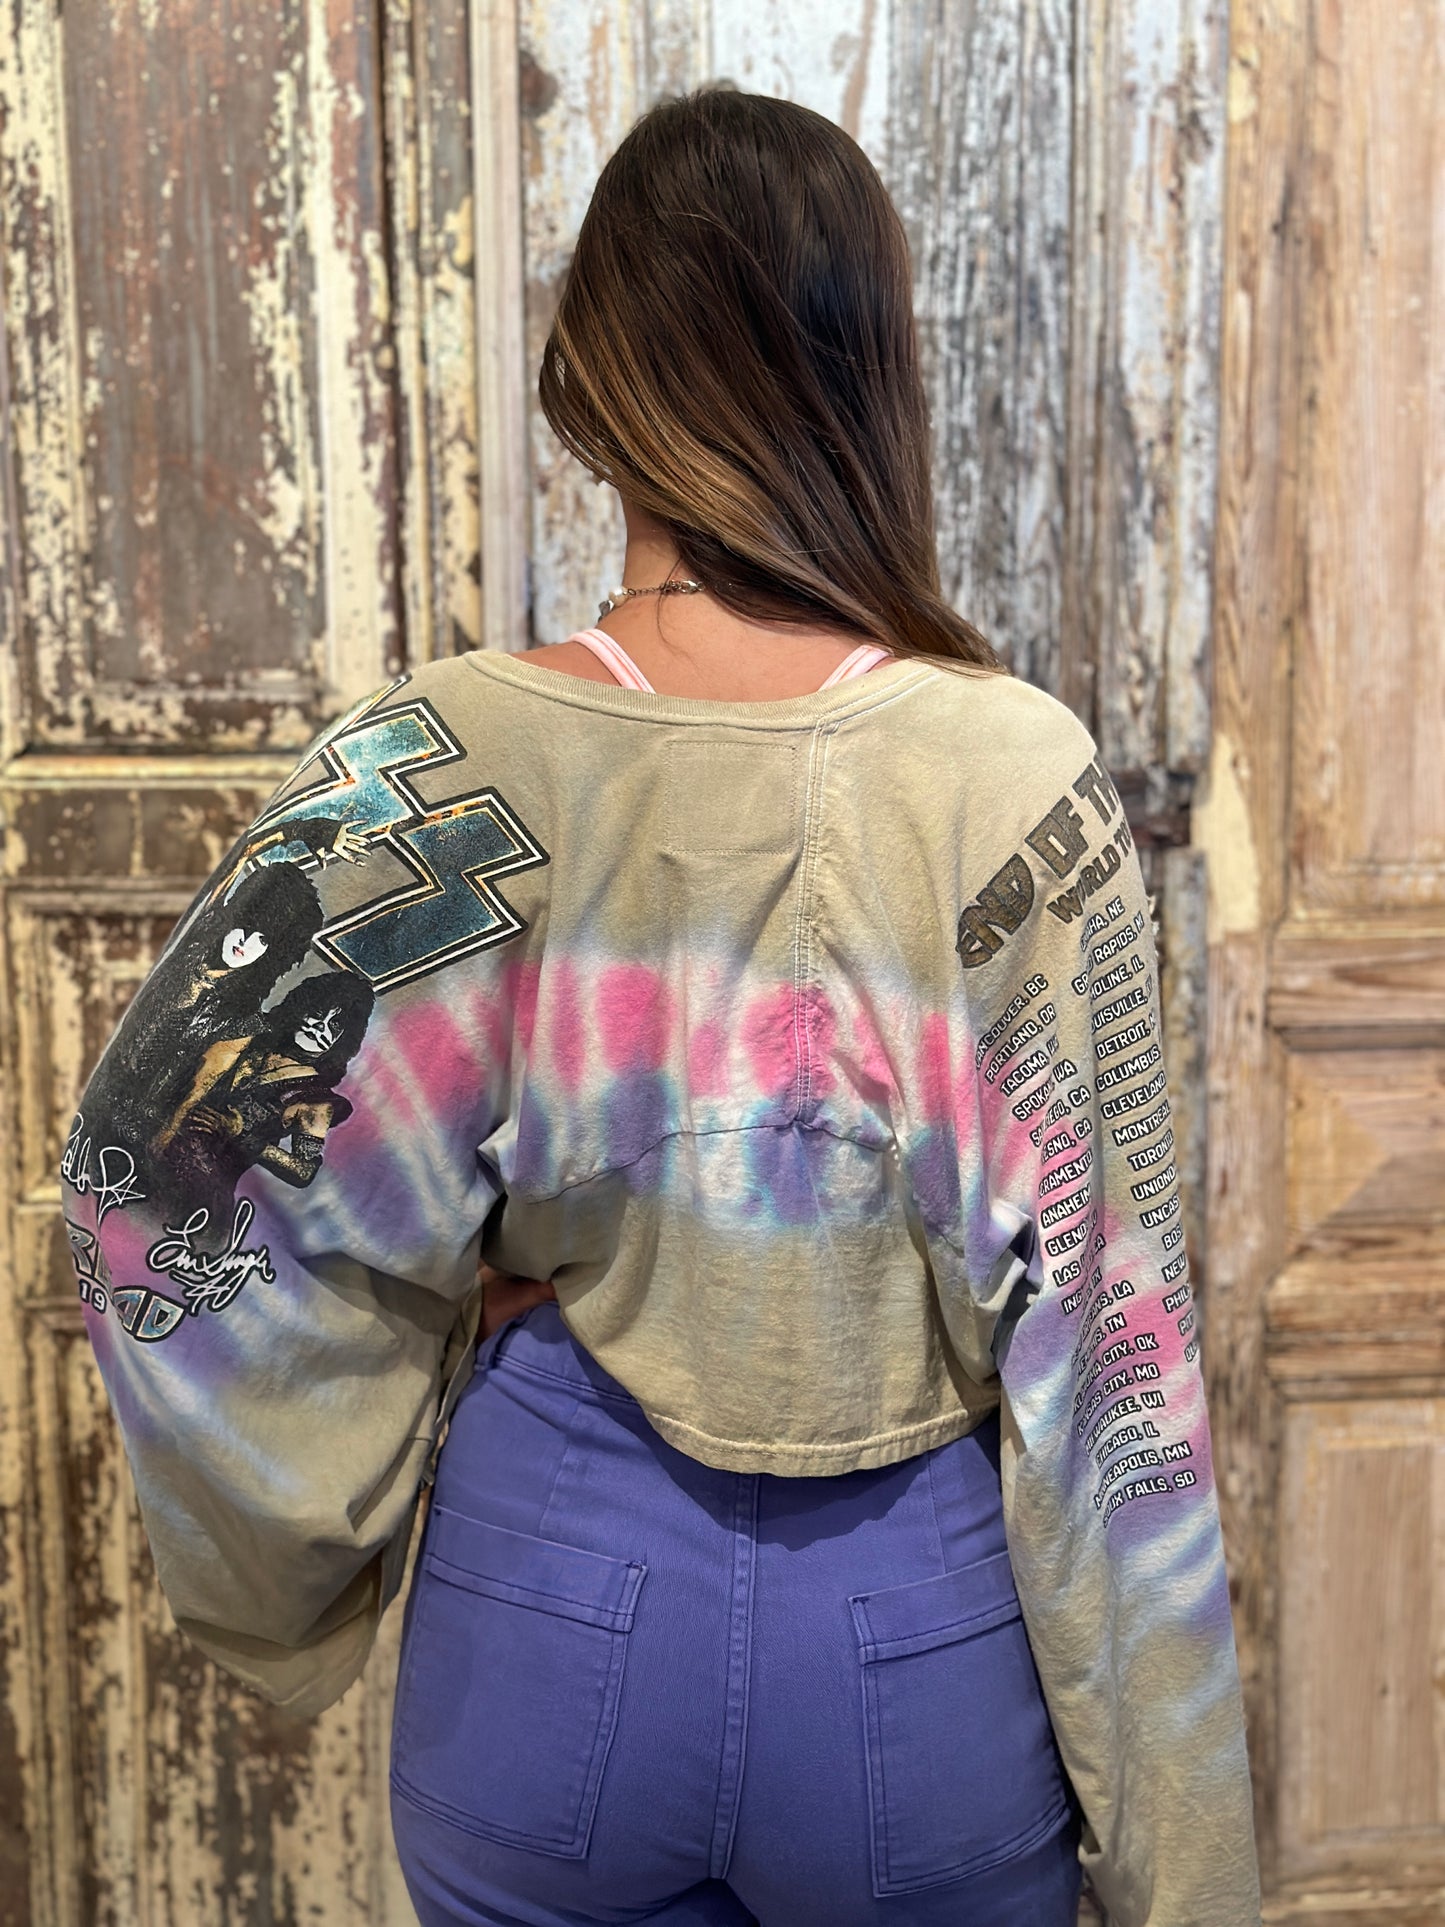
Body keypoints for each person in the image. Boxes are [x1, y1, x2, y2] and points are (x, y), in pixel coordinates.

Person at [61, 84, 1261, 1927]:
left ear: (591, 389)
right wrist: (1194, 1886)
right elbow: (1112, 1363)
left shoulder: (446, 762)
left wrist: (332, 1500)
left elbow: (151, 1180)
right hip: (910, 1643)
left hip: (547, 1613)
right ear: (879, 378)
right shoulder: (1009, 777)